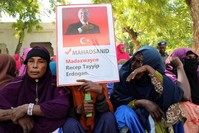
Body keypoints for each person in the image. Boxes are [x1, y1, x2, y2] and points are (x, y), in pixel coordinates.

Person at [110, 46, 190, 133]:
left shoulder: (158, 79)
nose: (133, 65)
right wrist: (141, 102)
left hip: (159, 122)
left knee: (175, 107)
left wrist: (148, 69)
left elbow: (180, 95)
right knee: (123, 112)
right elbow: (117, 102)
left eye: (139, 62)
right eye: (133, 60)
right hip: (136, 122)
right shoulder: (125, 76)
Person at [0, 46, 71, 133]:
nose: (35, 66)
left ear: (47, 65)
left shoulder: (56, 84)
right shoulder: (16, 84)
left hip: (50, 128)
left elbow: (62, 107)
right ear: (26, 64)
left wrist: (27, 108)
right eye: (31, 61)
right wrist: (15, 115)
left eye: (41, 62)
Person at [165, 48, 199, 132]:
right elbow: (185, 96)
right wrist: (180, 68)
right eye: (188, 58)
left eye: (194, 58)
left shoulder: (196, 75)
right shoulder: (169, 78)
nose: (192, 61)